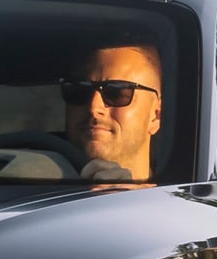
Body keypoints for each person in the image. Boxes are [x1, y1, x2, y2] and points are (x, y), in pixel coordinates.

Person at [65, 41, 164, 183]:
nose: (94, 108)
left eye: (117, 93)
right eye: (80, 90)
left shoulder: (176, 202)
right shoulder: (33, 184)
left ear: (156, 115)